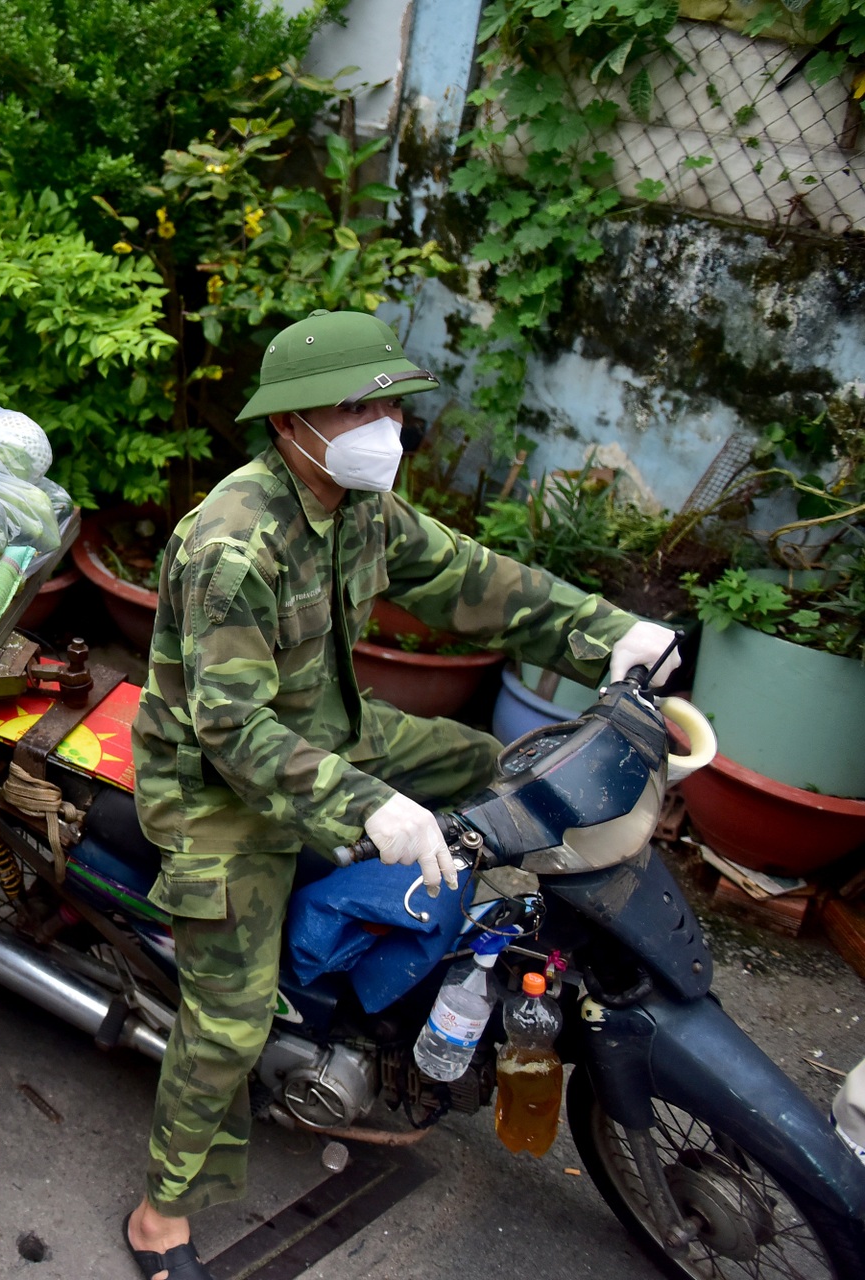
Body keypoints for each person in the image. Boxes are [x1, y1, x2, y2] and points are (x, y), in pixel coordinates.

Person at [122, 308, 679, 1280]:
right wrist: (368, 807)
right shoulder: (231, 546)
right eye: (360, 405)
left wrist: (606, 632)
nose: (387, 425)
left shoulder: (361, 505)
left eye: (389, 403)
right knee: (229, 1019)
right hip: (222, 785)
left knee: (489, 763)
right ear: (294, 422)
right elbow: (233, 729)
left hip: (333, 728)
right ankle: (161, 1212)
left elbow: (468, 576)